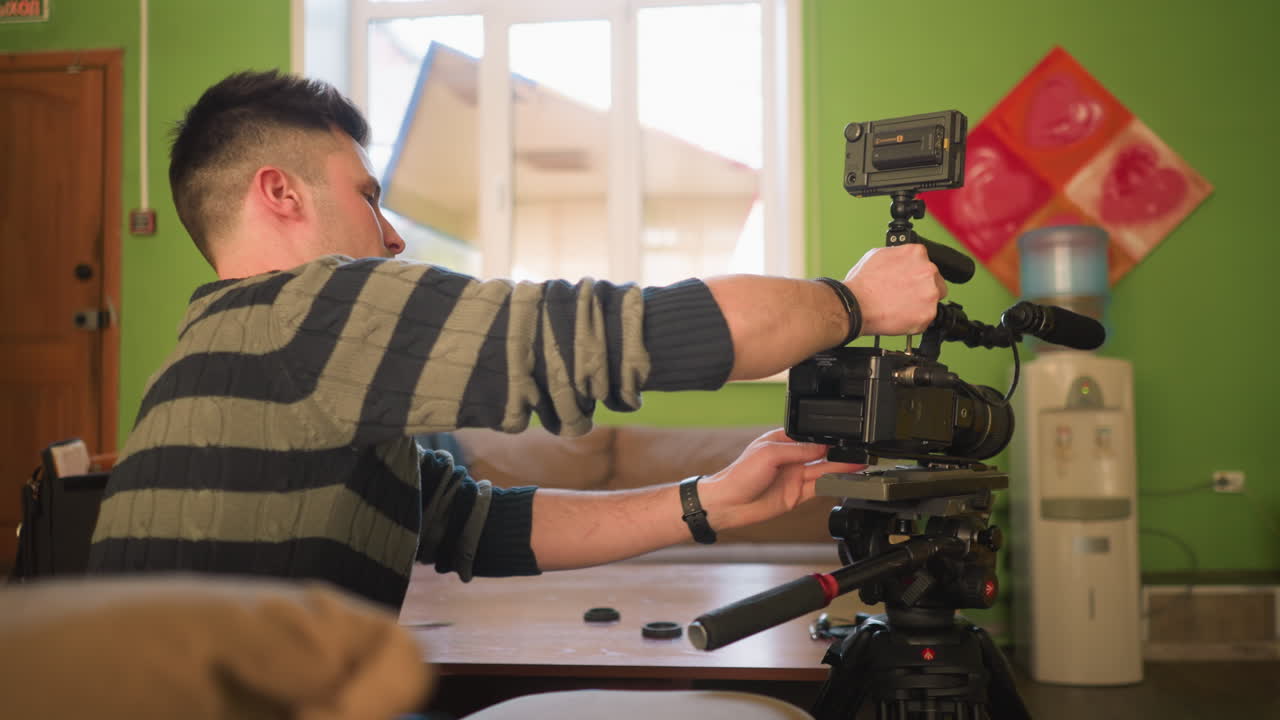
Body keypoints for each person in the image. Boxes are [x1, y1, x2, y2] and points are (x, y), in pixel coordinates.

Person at [87, 70, 947, 612]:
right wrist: (856, 300)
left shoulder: (206, 354)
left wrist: (708, 501)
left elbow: (470, 528)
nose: (390, 235)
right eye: (366, 194)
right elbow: (619, 337)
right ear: (280, 193)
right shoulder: (317, 308)